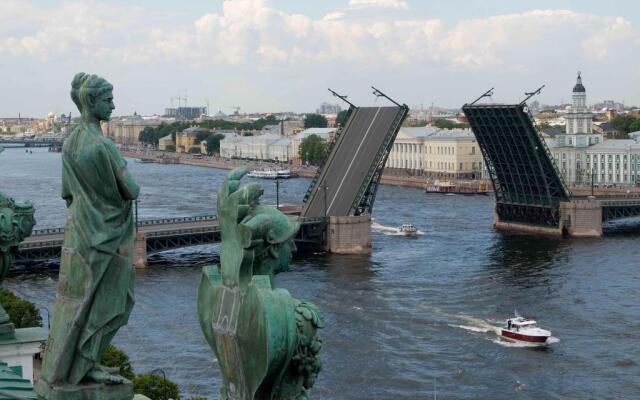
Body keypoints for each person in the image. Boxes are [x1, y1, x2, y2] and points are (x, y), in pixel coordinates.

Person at [39, 73, 140, 386]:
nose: (113, 105)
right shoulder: (103, 145)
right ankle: (86, 363)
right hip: (108, 237)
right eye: (108, 99)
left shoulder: (70, 142)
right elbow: (132, 190)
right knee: (111, 301)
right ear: (92, 101)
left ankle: (65, 369)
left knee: (77, 300)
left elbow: (67, 192)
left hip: (79, 231)